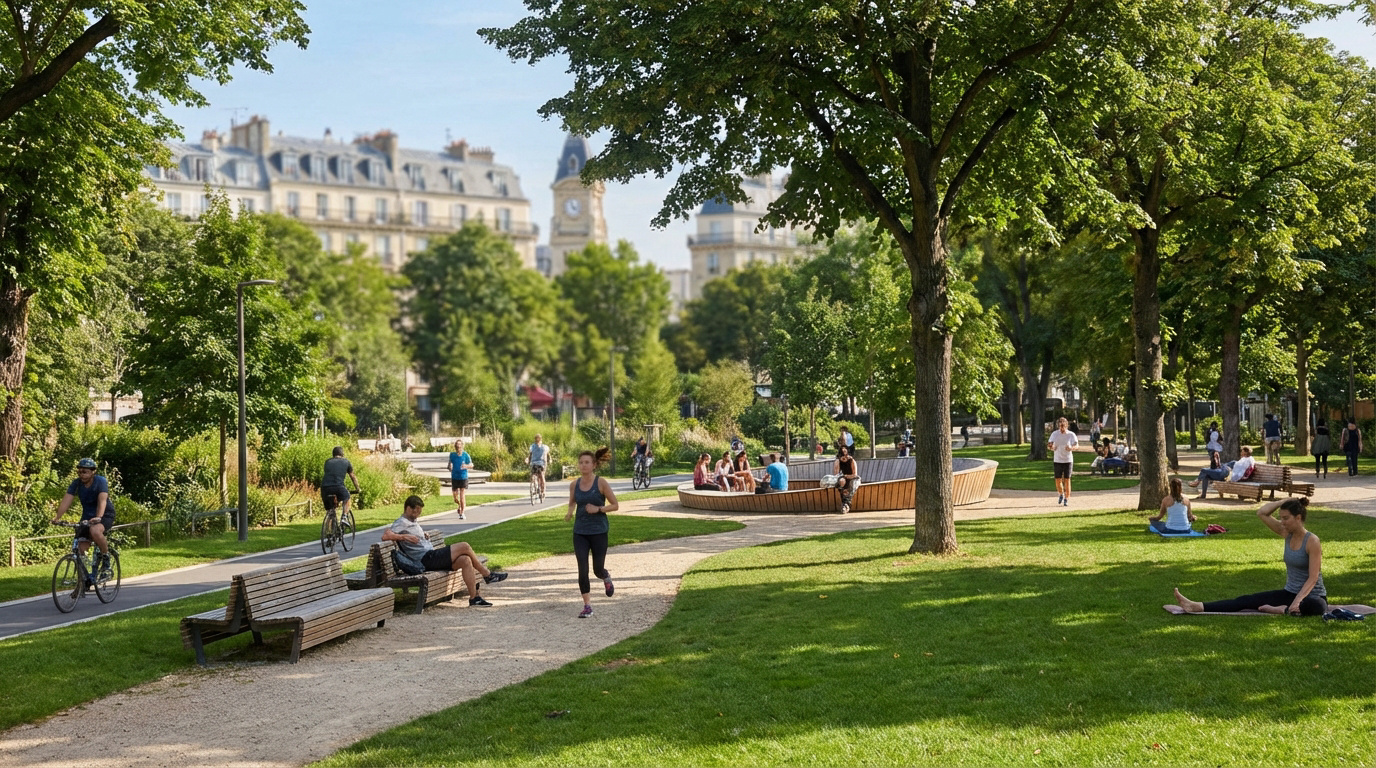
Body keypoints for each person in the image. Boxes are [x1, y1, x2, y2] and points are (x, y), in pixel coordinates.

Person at [1173, 497, 1326, 616]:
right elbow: (1261, 512)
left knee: (1315, 607)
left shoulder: (1312, 541)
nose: (1282, 521)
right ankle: (1198, 606)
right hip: (1289, 593)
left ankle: (1281, 610)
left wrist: (1298, 601)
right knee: (1247, 600)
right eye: (1281, 517)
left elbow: (1313, 578)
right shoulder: (1286, 532)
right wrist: (1284, 501)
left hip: (1312, 596)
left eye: (1286, 518)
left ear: (1298, 518)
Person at [383, 495, 506, 607]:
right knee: (465, 546)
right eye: (416, 512)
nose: (418, 515)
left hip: (431, 556)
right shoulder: (401, 522)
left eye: (420, 512)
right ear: (409, 508)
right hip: (426, 559)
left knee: (465, 560)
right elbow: (385, 536)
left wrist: (422, 535)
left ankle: (475, 598)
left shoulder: (412, 521)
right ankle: (487, 574)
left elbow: (413, 534)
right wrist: (404, 537)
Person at [565, 448, 619, 618]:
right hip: (580, 531)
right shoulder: (574, 484)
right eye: (581, 462)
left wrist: (598, 509)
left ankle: (605, 576)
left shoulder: (601, 483)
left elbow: (615, 505)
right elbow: (573, 502)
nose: (583, 465)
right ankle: (587, 605)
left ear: (594, 465)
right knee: (582, 567)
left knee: (597, 569)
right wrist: (569, 512)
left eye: (587, 462)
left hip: (599, 531)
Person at [51, 458, 116, 580]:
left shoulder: (100, 481)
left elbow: (102, 500)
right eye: (79, 472)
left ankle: (106, 559)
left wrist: (99, 517)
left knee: (95, 531)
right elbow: (66, 500)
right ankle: (86, 578)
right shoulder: (77, 483)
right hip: (87, 517)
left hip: (105, 514)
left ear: (93, 472)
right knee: (80, 548)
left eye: (85, 472)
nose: (81, 475)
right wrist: (57, 517)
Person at [1188, 445, 1255, 498]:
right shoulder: (1243, 460)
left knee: (1204, 470)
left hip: (1225, 473)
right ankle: (1203, 495)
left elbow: (1239, 472)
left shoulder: (1245, 460)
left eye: (1242, 451)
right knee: (1206, 475)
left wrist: (1231, 477)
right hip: (1223, 471)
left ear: (1246, 453)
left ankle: (1197, 481)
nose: (1241, 453)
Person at [321, 447, 361, 521]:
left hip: (325, 487)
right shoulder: (346, 462)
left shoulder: (327, 462)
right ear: (342, 454)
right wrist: (357, 488)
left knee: (330, 510)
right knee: (347, 497)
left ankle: (329, 530)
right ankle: (344, 517)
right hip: (338, 486)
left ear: (333, 454)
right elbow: (352, 476)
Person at [1047, 417, 1079, 507]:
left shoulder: (1071, 435)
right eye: (1060, 426)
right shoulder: (1054, 434)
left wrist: (1071, 448)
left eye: (1063, 426)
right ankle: (1061, 493)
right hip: (1057, 459)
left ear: (1066, 425)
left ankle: (1067, 498)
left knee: (1067, 479)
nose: (1062, 428)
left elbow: (1077, 445)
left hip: (1068, 459)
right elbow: (1049, 444)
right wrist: (1051, 447)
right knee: (1057, 479)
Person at [447, 439, 474, 519]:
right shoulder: (452, 455)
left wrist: (466, 466)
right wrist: (449, 467)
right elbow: (449, 465)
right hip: (455, 477)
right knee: (455, 497)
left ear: (462, 446)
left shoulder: (466, 455)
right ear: (455, 446)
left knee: (462, 495)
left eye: (460, 445)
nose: (458, 446)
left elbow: (471, 465)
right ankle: (459, 505)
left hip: (463, 477)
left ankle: (462, 512)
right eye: (457, 445)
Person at [834, 445, 860, 513]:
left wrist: (846, 476)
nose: (844, 450)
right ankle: (844, 503)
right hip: (843, 477)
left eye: (845, 449)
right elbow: (836, 474)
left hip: (852, 477)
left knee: (851, 484)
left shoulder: (851, 460)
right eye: (842, 449)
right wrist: (842, 477)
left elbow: (855, 474)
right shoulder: (838, 461)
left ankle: (846, 504)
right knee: (841, 481)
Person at [527, 434, 551, 498]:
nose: (537, 440)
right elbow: (530, 454)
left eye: (539, 439)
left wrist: (550, 459)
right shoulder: (532, 446)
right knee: (533, 476)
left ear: (541, 439)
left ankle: (543, 491)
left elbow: (548, 454)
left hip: (542, 463)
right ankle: (536, 487)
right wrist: (528, 460)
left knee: (541, 476)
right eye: (536, 439)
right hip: (534, 463)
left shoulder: (544, 447)